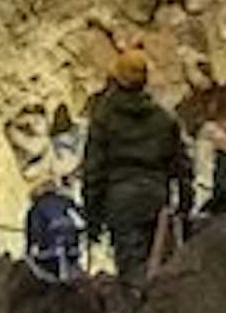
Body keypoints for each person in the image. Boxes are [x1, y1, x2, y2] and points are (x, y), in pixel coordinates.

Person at [80, 49, 191, 284]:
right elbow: (182, 167)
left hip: (121, 202)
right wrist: (185, 207)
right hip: (156, 200)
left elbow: (93, 171)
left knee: (131, 273)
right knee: (160, 272)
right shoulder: (163, 119)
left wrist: (93, 220)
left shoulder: (104, 118)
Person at [22, 182, 88, 282]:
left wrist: (31, 249)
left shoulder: (36, 209)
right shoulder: (67, 202)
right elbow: (81, 224)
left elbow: (34, 234)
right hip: (72, 250)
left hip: (49, 254)